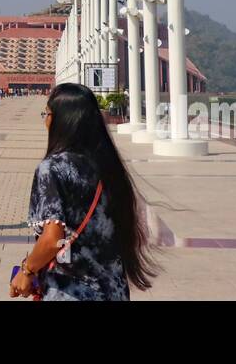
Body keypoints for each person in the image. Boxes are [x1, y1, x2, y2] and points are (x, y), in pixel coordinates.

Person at [9, 83, 156, 301]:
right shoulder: (108, 164)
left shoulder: (53, 168)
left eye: (47, 113)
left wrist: (27, 270)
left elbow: (53, 240)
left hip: (72, 291)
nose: (45, 120)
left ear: (63, 120)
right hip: (113, 289)